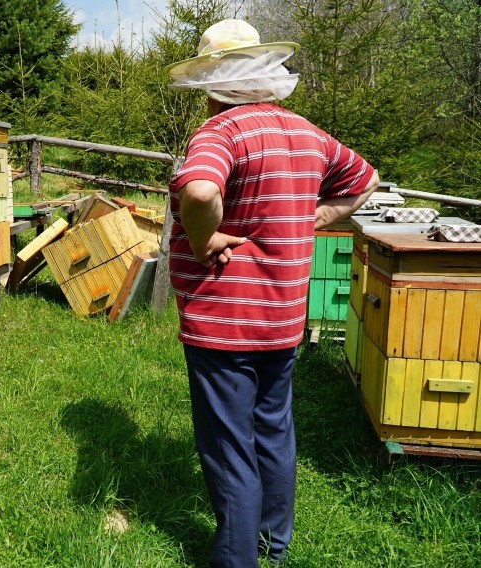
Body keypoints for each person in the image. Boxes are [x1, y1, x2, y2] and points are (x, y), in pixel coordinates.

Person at [164, 19, 379, 567]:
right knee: (274, 432)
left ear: (215, 83)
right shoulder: (307, 132)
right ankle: (271, 546)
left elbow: (202, 188)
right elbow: (365, 180)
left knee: (229, 448)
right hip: (282, 318)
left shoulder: (221, 132)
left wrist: (203, 234)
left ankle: (237, 561)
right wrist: (315, 217)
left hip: (223, 322)